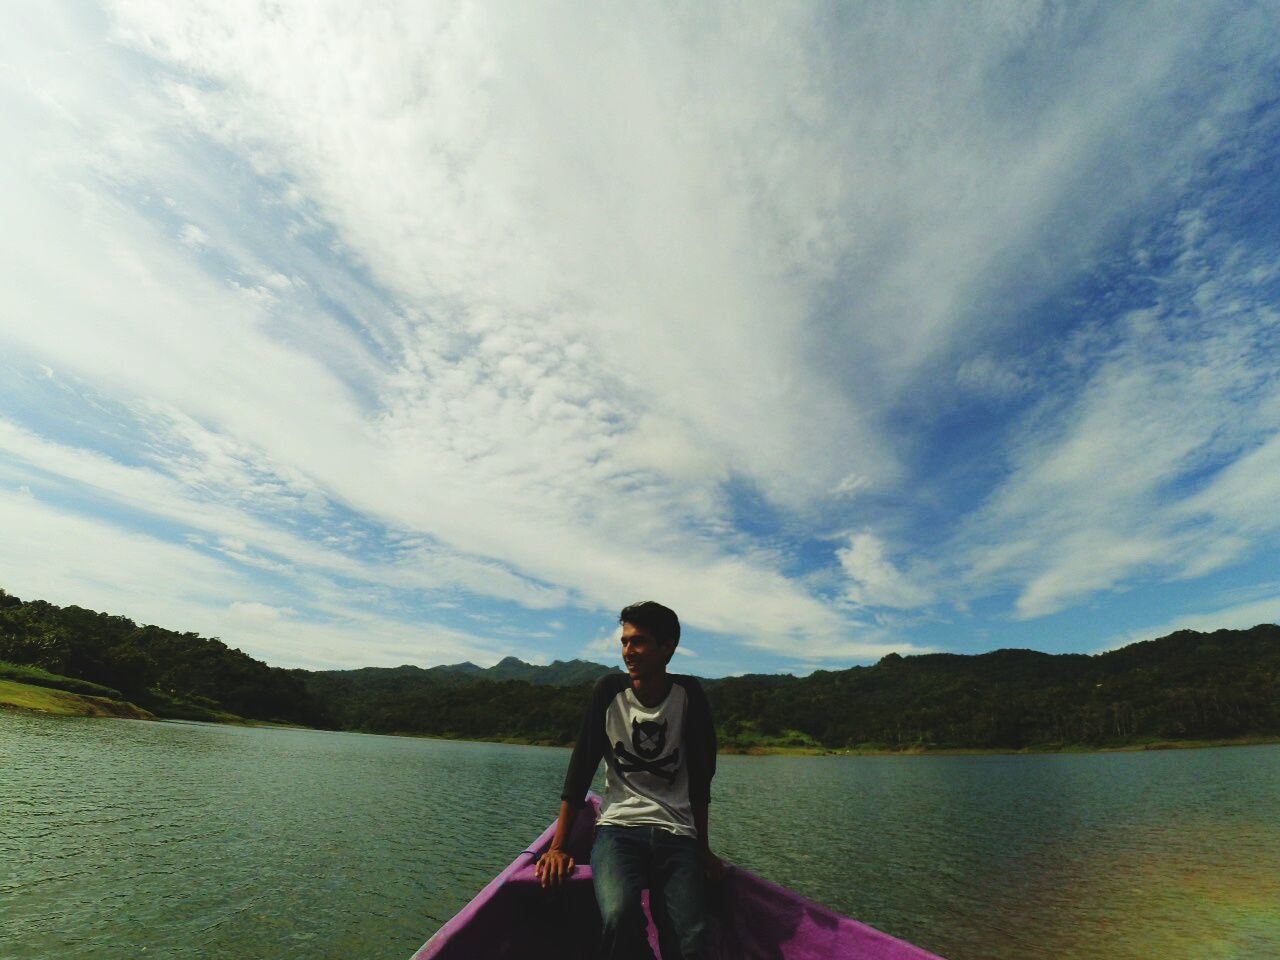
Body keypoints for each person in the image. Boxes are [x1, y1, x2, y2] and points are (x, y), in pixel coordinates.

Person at [534, 600, 722, 960]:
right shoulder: (609, 691)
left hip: (676, 831)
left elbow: (700, 779)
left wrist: (702, 846)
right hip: (618, 829)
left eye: (639, 642)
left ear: (668, 648)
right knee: (619, 916)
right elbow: (580, 772)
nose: (628, 651)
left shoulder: (689, 696)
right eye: (624, 641)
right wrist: (557, 847)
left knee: (692, 936)